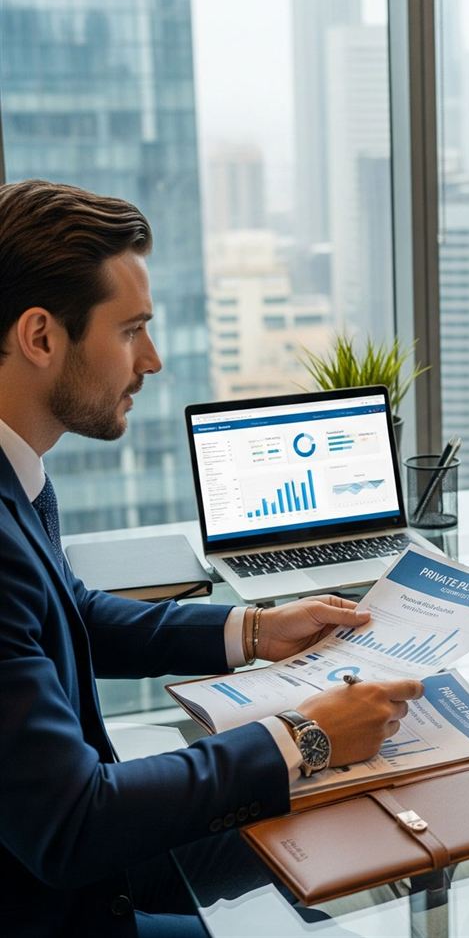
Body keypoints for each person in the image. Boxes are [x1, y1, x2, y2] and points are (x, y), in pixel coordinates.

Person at [0, 179, 424, 937]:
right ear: (41, 336)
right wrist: (306, 733)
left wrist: (254, 630)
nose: (153, 359)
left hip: (76, 861)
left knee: (359, 830)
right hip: (55, 905)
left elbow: (72, 614)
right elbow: (72, 823)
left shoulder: (17, 472)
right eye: (130, 331)